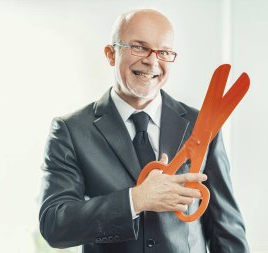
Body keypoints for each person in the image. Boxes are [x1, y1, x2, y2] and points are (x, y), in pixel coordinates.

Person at [39, 9, 249, 253]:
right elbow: (55, 224)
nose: (152, 60)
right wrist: (136, 200)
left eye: (164, 52)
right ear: (110, 54)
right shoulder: (71, 131)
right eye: (139, 47)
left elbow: (226, 228)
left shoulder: (201, 123)